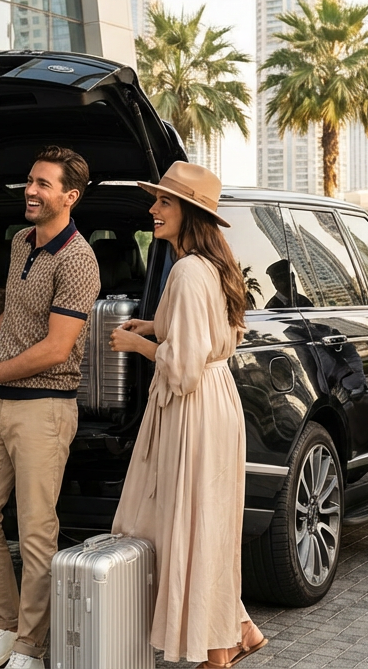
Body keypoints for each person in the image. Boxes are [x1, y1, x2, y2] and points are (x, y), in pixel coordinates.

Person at [0, 146, 101, 669]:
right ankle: (6, 628)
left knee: (36, 533)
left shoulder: (79, 260)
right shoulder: (21, 242)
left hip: (45, 408)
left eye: (43, 184)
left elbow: (56, 347)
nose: (30, 190)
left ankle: (31, 647)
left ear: (70, 197)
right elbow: (17, 312)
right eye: (30, 180)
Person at [108, 162, 268, 669]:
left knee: (192, 526)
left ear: (190, 213)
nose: (153, 209)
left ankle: (219, 653)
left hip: (193, 408)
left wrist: (136, 344)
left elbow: (183, 368)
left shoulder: (186, 270)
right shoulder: (213, 265)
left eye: (164, 202)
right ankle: (237, 632)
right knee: (208, 525)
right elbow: (206, 331)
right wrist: (154, 325)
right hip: (216, 404)